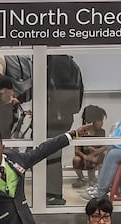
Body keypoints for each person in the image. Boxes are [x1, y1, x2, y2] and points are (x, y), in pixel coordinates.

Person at [46, 55, 84, 206]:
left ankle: (53, 195)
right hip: (60, 115)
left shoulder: (58, 60)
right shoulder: (66, 61)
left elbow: (62, 90)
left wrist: (53, 111)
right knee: (49, 155)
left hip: (57, 117)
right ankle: (52, 194)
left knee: (50, 156)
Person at [72, 105, 107, 189]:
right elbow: (77, 150)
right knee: (76, 159)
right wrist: (86, 157)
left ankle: (94, 180)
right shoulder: (81, 132)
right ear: (92, 121)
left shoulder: (101, 132)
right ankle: (82, 179)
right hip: (83, 156)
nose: (102, 123)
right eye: (100, 120)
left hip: (96, 156)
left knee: (103, 155)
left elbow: (105, 146)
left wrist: (96, 151)